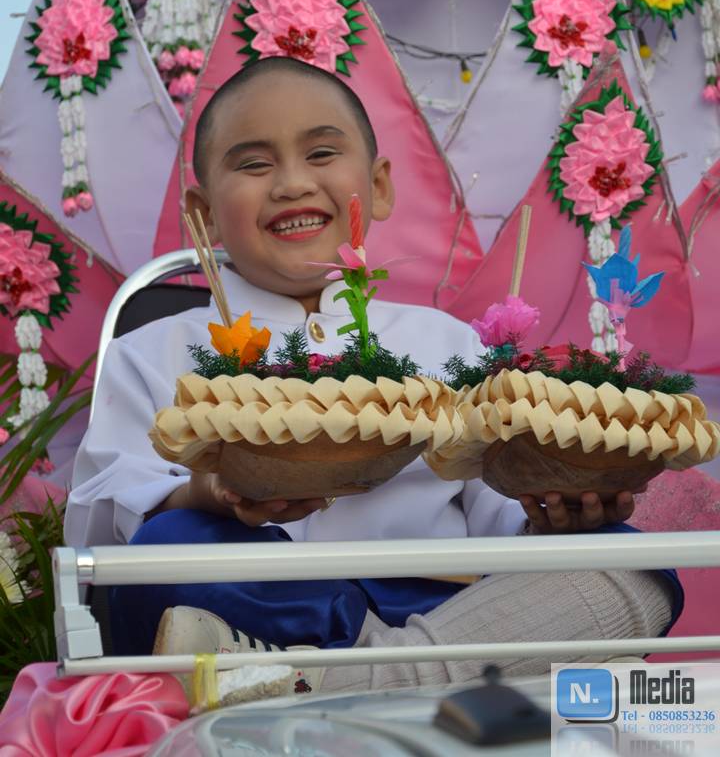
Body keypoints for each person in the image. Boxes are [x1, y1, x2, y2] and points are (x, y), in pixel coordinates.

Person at [66, 57, 678, 693]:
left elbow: (503, 514)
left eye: (321, 153)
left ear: (379, 186)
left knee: (631, 563)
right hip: (257, 600)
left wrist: (556, 511)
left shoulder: (449, 343)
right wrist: (207, 490)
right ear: (205, 213)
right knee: (168, 548)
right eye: (253, 164)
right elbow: (99, 523)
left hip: (448, 607)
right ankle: (404, 682)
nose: (291, 183)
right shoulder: (152, 352)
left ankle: (347, 680)